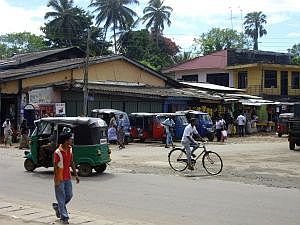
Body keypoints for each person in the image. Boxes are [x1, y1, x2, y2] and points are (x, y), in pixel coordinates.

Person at [52, 132, 80, 224]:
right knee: (61, 197)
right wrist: (56, 180)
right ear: (65, 141)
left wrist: (76, 174)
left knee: (69, 195)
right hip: (59, 177)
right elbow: (55, 167)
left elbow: (71, 162)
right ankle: (64, 217)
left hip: (67, 176)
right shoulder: (57, 152)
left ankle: (57, 207)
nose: (71, 140)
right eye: (70, 139)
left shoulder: (70, 149)